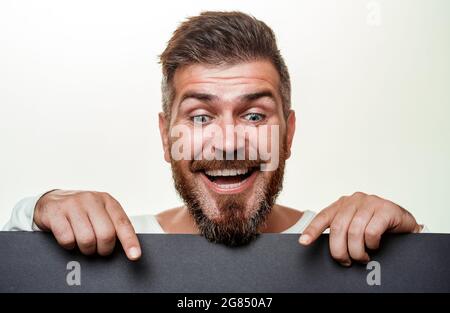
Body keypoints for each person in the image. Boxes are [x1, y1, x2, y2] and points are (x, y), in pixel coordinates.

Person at [2, 11, 426, 267]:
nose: (227, 143)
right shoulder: (107, 245)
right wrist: (34, 210)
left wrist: (412, 246)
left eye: (255, 114)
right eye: (201, 117)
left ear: (288, 134)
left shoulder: (348, 243)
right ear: (166, 138)